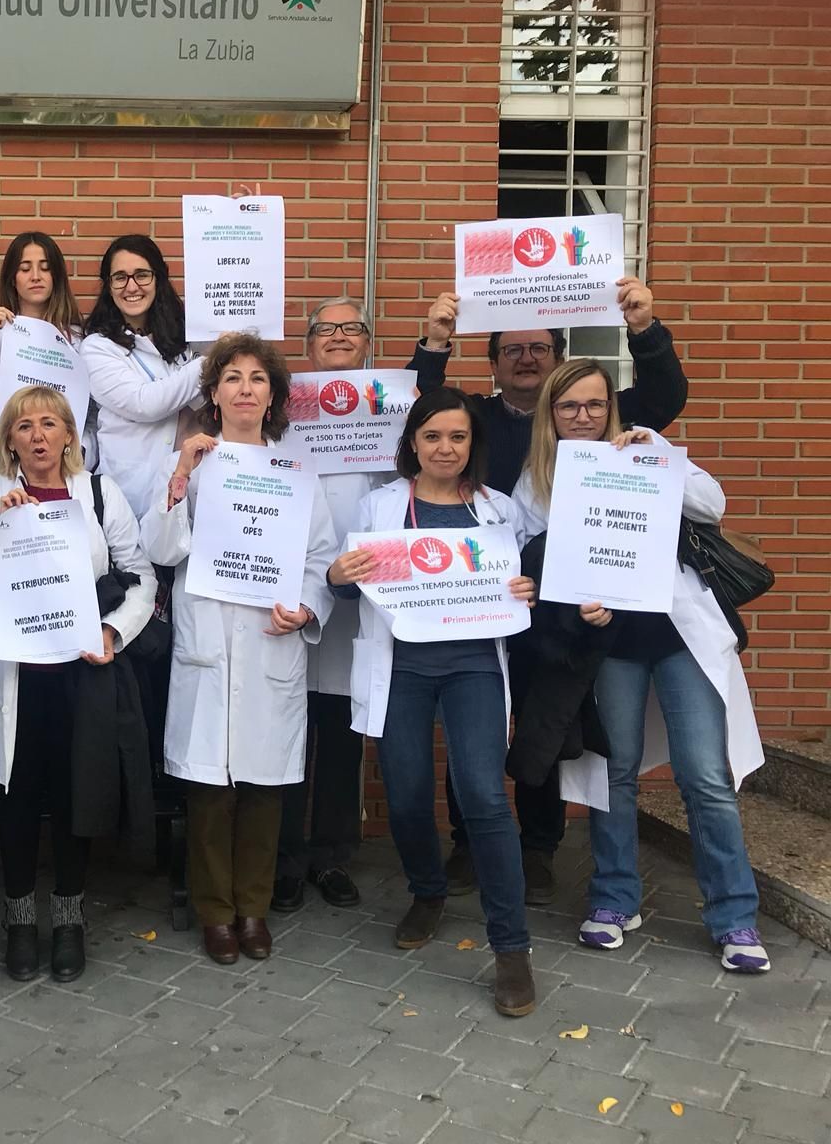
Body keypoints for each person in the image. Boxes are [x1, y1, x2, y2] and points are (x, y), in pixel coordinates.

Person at [408, 278, 688, 904]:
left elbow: (666, 396)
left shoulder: (591, 421)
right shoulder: (475, 415)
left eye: (539, 347)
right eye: (512, 348)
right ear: (494, 361)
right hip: (476, 590)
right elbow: (421, 406)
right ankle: (466, 844)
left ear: (558, 358)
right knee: (472, 722)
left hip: (557, 606)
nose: (526, 357)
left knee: (545, 720)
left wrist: (644, 327)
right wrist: (433, 342)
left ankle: (537, 848)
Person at [512, 360, 771, 973]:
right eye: (569, 406)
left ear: (612, 409)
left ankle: (734, 916)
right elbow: (532, 559)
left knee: (705, 776)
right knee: (615, 772)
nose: (583, 416)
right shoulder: (536, 480)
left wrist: (657, 454)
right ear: (551, 413)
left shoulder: (648, 448)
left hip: (678, 635)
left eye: (595, 405)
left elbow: (713, 504)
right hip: (609, 646)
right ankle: (613, 898)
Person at [327, 387, 538, 1016]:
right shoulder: (381, 505)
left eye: (459, 437)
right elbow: (347, 587)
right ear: (413, 442)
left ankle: (511, 948)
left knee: (482, 794)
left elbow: (523, 585)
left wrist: (530, 587)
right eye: (433, 436)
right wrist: (339, 577)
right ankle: (427, 890)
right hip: (405, 670)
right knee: (409, 791)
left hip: (474, 666)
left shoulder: (499, 511)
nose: (446, 448)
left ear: (473, 445)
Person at [142, 335, 336, 965]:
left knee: (261, 788)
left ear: (274, 396)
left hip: (267, 639)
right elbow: (163, 551)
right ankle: (214, 914)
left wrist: (306, 607)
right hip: (208, 639)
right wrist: (179, 478)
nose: (245, 388)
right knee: (209, 791)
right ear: (215, 393)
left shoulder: (295, 472)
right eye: (232, 378)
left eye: (258, 378)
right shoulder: (193, 464)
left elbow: (319, 556)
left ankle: (253, 908)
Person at [0, 386, 156, 982]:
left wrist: (114, 633)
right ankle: (19, 919)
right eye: (25, 426)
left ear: (71, 434)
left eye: (50, 423)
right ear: (9, 439)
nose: (38, 436)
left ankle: (69, 918)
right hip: (17, 676)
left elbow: (140, 575)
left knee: (77, 797)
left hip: (82, 674)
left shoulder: (98, 493)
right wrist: (4, 529)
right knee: (17, 801)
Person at [274, 297, 386, 914]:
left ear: (367, 342)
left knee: (342, 737)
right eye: (326, 329)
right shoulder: (282, 405)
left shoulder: (388, 408)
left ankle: (333, 856)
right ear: (308, 342)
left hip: (359, 594)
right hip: (286, 591)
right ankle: (285, 857)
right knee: (288, 730)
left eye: (351, 328)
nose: (339, 337)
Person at [84, 234, 204, 520]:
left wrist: (238, 230)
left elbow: (236, 331)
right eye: (120, 277)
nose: (132, 286)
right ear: (108, 286)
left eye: (142, 275)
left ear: (158, 278)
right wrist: (208, 363)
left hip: (188, 489)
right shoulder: (97, 347)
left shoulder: (185, 337)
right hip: (130, 496)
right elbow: (144, 404)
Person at [0, 232, 93, 489]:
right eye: (25, 269)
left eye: (45, 269)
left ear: (56, 277)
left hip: (63, 471)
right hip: (3, 468)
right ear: (12, 279)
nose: (35, 276)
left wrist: (79, 449)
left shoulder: (80, 342)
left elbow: (89, 415)